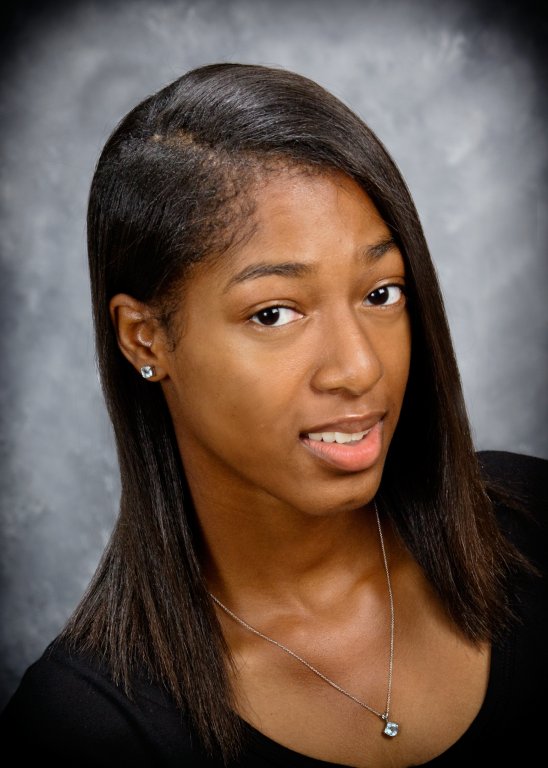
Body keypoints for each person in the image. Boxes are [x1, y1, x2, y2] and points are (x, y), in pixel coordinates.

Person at [0, 62, 546, 767]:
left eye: (380, 293)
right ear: (146, 338)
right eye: (274, 313)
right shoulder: (84, 727)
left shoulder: (534, 524)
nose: (360, 368)